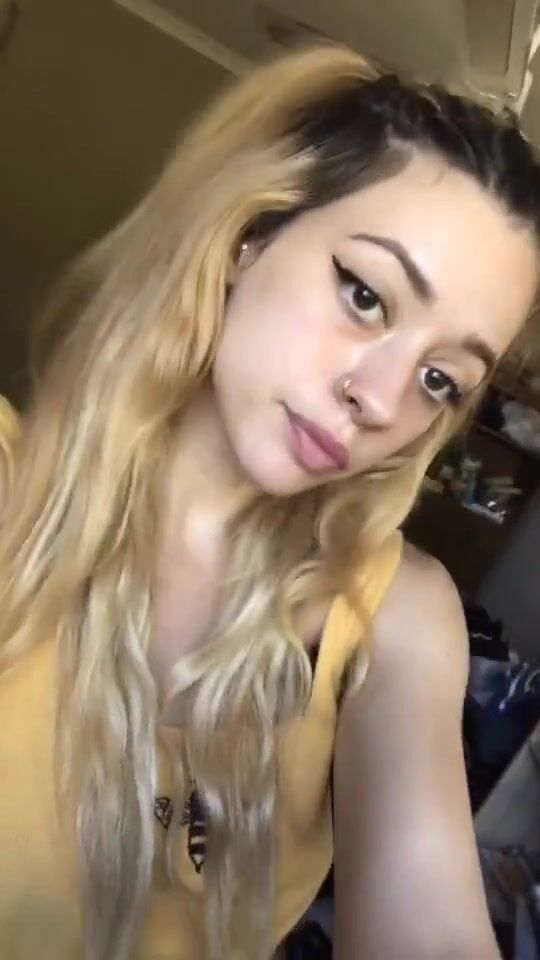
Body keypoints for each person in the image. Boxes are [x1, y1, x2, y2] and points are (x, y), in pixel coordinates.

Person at [0, 41, 538, 960]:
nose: (382, 400)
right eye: (365, 295)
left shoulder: (395, 616)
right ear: (250, 235)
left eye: (441, 379)